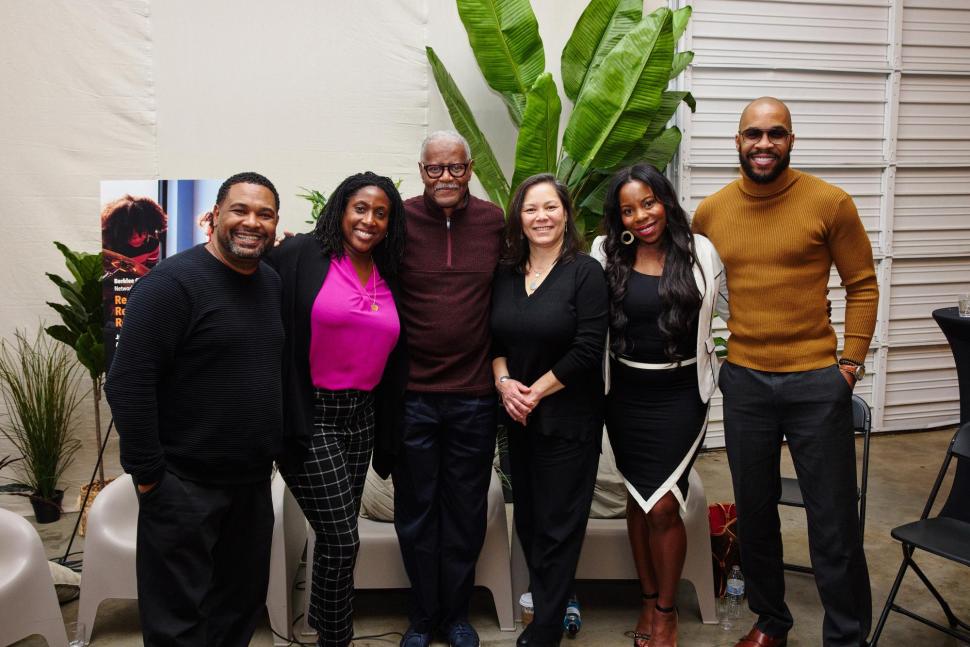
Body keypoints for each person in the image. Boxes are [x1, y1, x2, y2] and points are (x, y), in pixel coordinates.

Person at [692, 97, 879, 647]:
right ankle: (772, 621)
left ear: (791, 140)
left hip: (816, 382)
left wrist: (849, 365)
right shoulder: (712, 212)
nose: (764, 144)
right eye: (754, 134)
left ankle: (845, 636)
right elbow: (701, 289)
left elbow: (862, 284)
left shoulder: (829, 203)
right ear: (738, 142)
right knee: (753, 512)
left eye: (776, 134)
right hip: (746, 380)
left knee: (833, 521)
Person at [104, 172, 284, 647]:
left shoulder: (270, 283)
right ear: (215, 217)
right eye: (240, 210)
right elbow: (128, 382)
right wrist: (150, 478)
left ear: (275, 224)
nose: (252, 222)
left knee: (239, 611)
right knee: (178, 625)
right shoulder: (170, 285)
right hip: (184, 487)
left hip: (249, 485)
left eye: (264, 214)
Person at [266, 172, 408, 647]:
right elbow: (245, 270)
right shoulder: (302, 255)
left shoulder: (390, 271)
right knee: (345, 539)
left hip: (361, 417)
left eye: (380, 213)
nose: (369, 220)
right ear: (340, 210)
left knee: (334, 543)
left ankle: (327, 634)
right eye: (360, 208)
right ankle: (337, 638)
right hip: (311, 415)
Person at [589, 164, 728, 647]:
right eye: (628, 209)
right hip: (623, 395)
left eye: (648, 202)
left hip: (681, 396)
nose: (640, 216)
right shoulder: (604, 254)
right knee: (637, 497)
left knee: (665, 504)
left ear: (665, 200)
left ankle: (666, 612)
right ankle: (646, 600)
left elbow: (729, 310)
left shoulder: (700, 251)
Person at [393, 130, 504, 647]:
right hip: (413, 395)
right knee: (416, 513)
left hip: (475, 396)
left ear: (471, 168)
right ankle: (421, 617)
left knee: (464, 511)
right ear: (420, 172)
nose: (445, 178)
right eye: (435, 169)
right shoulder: (399, 220)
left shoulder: (494, 222)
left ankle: (456, 615)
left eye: (455, 168)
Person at [491, 173, 608, 647]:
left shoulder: (585, 272)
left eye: (550, 208)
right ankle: (549, 604)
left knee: (560, 525)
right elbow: (493, 341)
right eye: (531, 209)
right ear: (518, 217)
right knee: (533, 522)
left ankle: (545, 630)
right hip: (517, 419)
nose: (541, 217)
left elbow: (587, 349)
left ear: (566, 214)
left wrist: (532, 393)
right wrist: (503, 384)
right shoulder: (506, 272)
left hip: (567, 420)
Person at [100, 194, 168, 275]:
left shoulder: (152, 244)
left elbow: (148, 272)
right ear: (118, 230)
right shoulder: (107, 245)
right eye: (129, 233)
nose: (137, 238)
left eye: (143, 232)